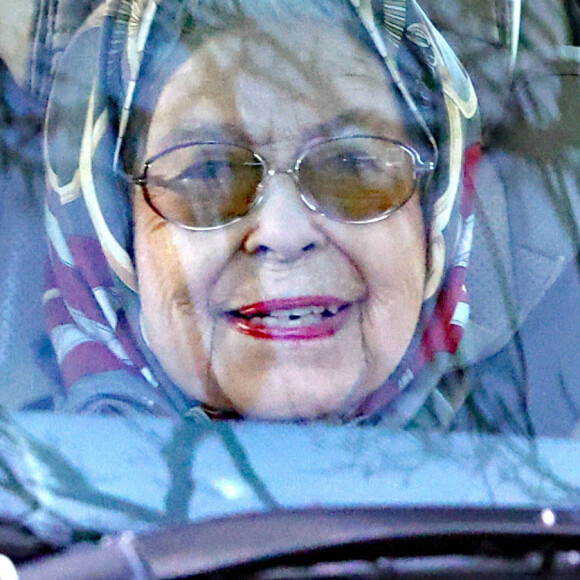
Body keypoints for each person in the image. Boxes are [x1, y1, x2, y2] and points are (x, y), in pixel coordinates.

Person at [33, 0, 580, 434]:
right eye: (208, 176)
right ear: (113, 232)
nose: (283, 234)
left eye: (351, 166)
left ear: (437, 217)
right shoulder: (28, 507)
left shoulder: (539, 462)